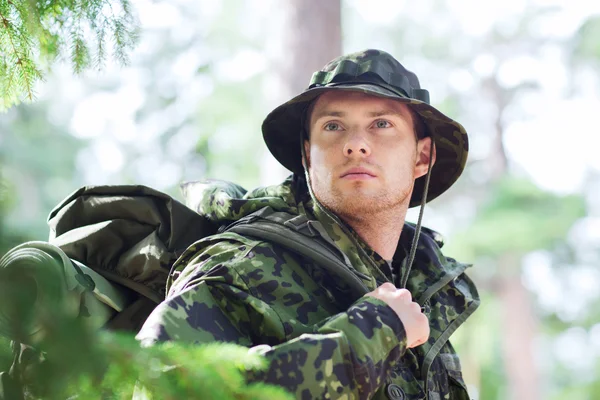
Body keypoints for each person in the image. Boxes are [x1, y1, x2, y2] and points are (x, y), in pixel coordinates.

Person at [137, 49, 480, 400]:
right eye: (333, 126)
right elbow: (163, 387)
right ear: (306, 156)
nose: (356, 145)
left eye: (382, 124)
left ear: (422, 156)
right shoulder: (240, 267)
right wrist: (372, 333)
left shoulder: (424, 291)